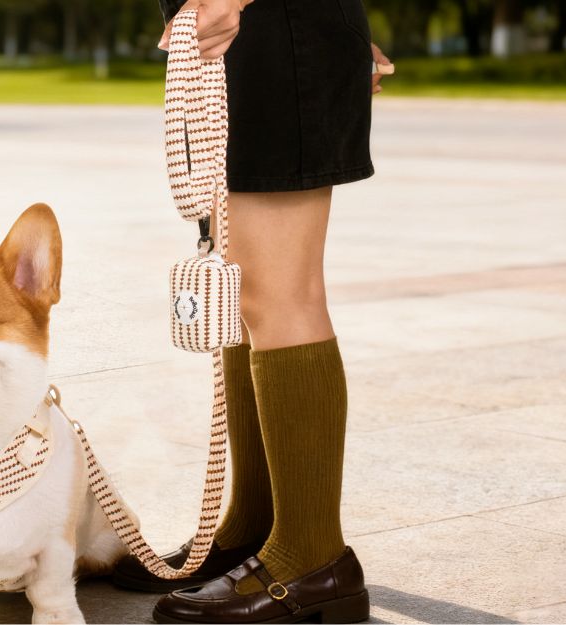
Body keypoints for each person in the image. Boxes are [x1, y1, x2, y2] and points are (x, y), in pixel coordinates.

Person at [110, 0, 388, 623]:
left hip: (267, 28)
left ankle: (312, 558)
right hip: (256, 35)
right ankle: (256, 528)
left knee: (279, 294)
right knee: (243, 293)